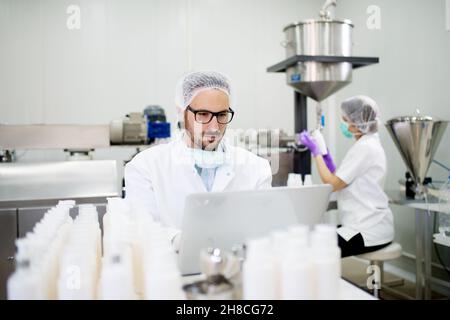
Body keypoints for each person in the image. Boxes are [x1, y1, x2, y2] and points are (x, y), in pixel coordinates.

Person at [124, 71, 272, 250]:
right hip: (171, 271)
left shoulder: (256, 167)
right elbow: (141, 228)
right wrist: (179, 241)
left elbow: (262, 230)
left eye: (222, 115)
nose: (214, 127)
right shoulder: (145, 167)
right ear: (181, 112)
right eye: (202, 114)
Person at [299, 95, 394, 257]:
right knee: (314, 238)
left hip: (367, 230)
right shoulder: (367, 144)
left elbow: (331, 183)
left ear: (358, 123)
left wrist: (316, 153)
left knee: (314, 248)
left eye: (345, 120)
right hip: (368, 224)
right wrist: (326, 158)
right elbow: (341, 178)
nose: (343, 124)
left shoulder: (364, 148)